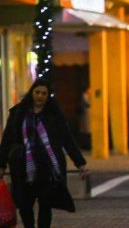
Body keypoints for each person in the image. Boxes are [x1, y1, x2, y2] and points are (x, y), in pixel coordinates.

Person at [0, 79, 89, 228]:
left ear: (48, 96)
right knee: (25, 205)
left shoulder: (54, 115)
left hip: (47, 167)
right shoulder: (18, 113)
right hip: (22, 167)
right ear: (31, 93)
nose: (40, 96)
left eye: (44, 93)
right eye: (37, 92)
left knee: (45, 204)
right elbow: (7, 140)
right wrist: (1, 165)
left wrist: (80, 164)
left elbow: (67, 140)